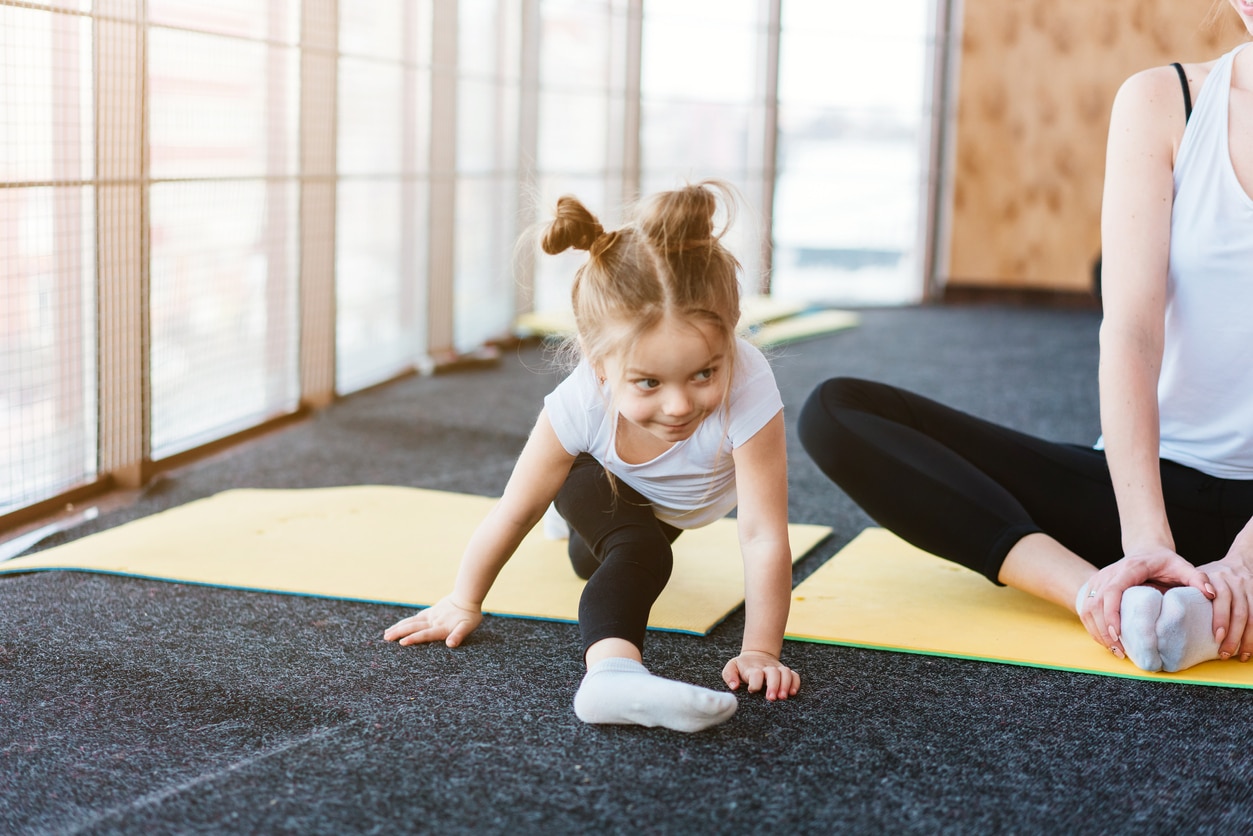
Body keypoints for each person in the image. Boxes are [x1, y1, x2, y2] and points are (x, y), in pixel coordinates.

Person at [797, 1, 1253, 674]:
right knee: (838, 414)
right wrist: (1144, 539)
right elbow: (1129, 332)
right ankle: (1103, 595)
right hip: (1151, 489)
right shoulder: (1165, 100)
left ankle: (1212, 597)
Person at [385, 181, 799, 731]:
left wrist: (761, 651)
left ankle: (578, 530)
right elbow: (514, 510)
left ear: (729, 340)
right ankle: (611, 678)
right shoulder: (577, 406)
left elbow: (763, 532)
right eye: (648, 382)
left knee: (591, 559)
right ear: (600, 365)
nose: (679, 404)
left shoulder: (748, 382)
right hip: (593, 474)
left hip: (669, 503)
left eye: (705, 372)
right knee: (640, 549)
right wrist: (463, 601)